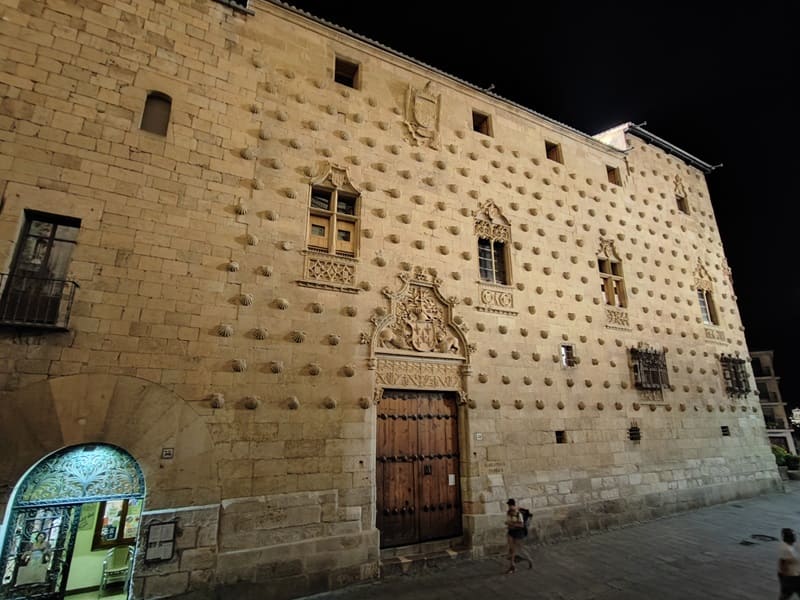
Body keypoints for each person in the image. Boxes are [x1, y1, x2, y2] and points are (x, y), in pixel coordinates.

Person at [505, 498, 532, 574]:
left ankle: (529, 560)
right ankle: (512, 566)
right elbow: (509, 520)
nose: (509, 507)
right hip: (511, 532)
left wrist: (511, 524)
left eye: (510, 505)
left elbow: (521, 525)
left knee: (519, 549)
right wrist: (508, 523)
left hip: (518, 533)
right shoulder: (509, 512)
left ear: (513, 505)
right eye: (509, 505)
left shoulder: (518, 513)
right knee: (511, 550)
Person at [778, 528, 800, 599]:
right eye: (793, 535)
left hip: (794, 577)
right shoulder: (786, 549)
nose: (794, 537)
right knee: (785, 596)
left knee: (784, 596)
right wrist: (785, 580)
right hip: (792, 578)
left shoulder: (789, 546)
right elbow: (782, 566)